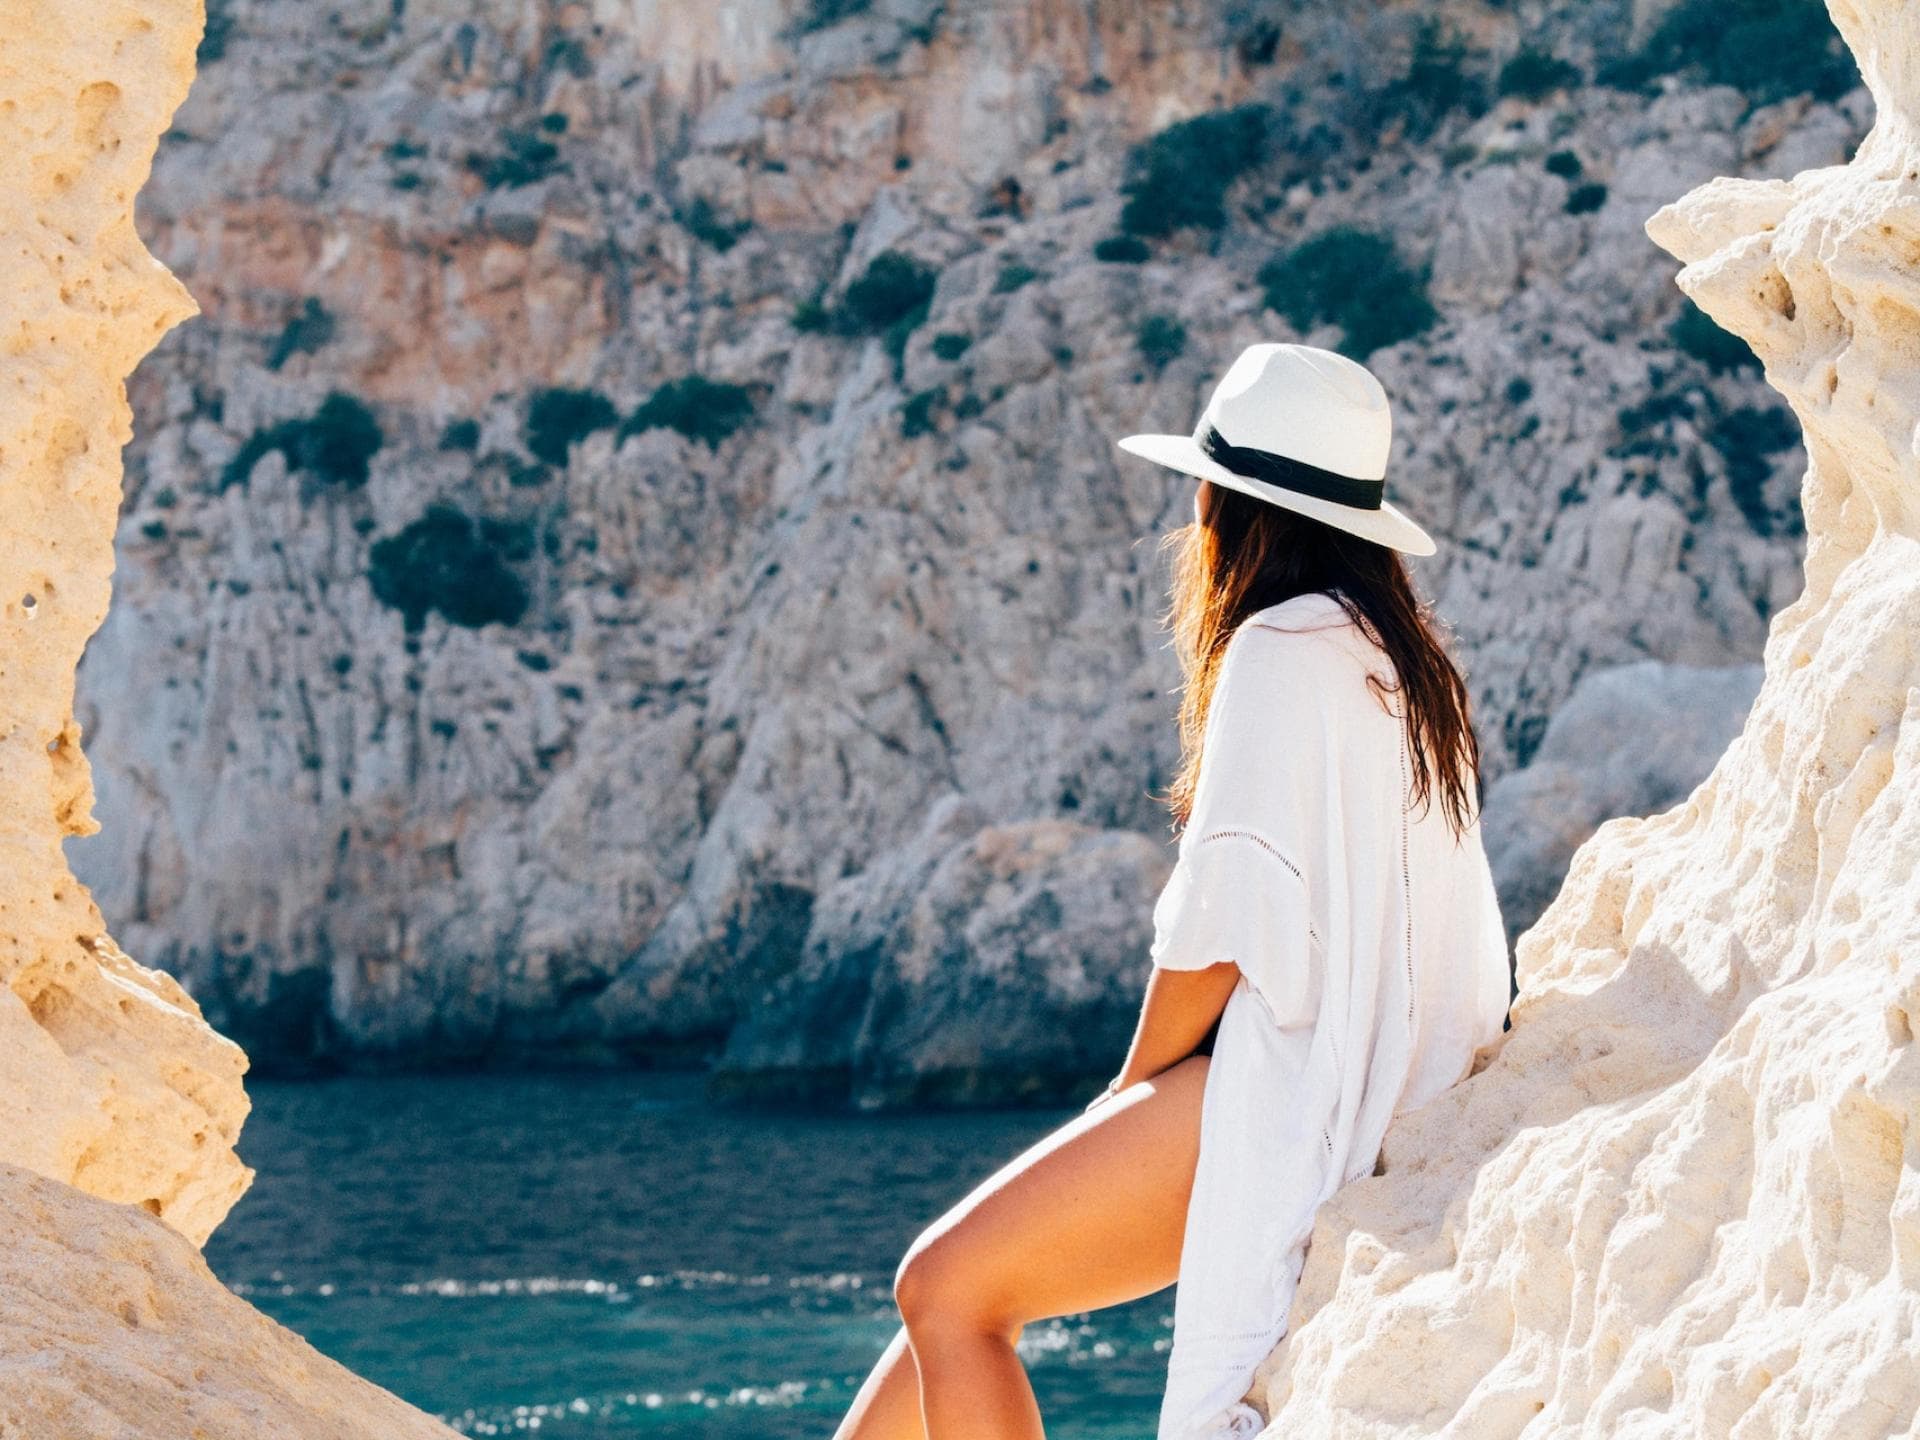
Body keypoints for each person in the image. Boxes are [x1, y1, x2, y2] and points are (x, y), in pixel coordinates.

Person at [831, 343, 1514, 1440]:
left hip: (1287, 1089)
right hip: (1388, 1083)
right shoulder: (1409, 666)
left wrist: (1126, 1086)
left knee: (943, 1293)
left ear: (1232, 508)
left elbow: (1223, 927)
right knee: (941, 1314)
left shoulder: (1277, 647)